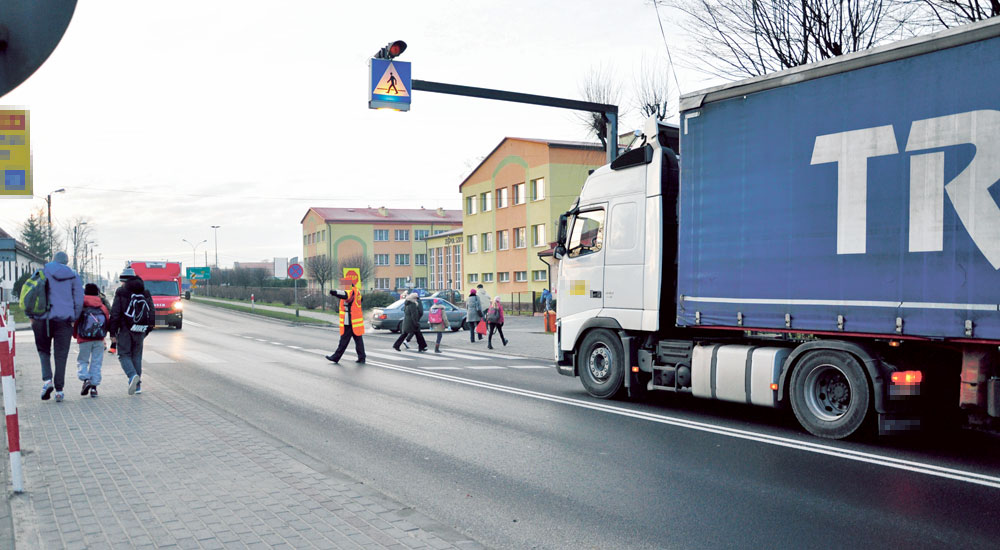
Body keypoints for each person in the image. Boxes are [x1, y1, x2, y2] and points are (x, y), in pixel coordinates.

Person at [32, 251, 83, 403]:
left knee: (43, 351)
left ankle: (47, 381)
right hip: (64, 321)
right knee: (61, 355)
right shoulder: (73, 276)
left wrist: (32, 315)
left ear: (53, 260)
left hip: (42, 319)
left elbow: (30, 293)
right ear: (66, 262)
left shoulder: (41, 271)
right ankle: (59, 390)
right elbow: (79, 299)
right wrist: (74, 317)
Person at [109, 269, 154, 395]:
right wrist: (147, 329)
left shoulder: (121, 292)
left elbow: (115, 313)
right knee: (137, 356)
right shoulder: (145, 292)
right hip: (140, 329)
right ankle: (138, 386)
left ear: (123, 280)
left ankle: (132, 375)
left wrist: (112, 332)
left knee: (124, 355)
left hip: (124, 330)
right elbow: (151, 312)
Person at [74, 283, 110, 398]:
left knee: (83, 360)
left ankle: (85, 379)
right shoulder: (102, 307)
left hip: (84, 338)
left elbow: (76, 322)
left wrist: (76, 335)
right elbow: (107, 322)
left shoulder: (82, 305)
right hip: (99, 338)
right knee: (96, 362)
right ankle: (94, 388)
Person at [326, 279, 366, 364]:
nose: (342, 286)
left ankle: (336, 357)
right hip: (355, 321)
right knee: (358, 340)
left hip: (350, 320)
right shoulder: (357, 291)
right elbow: (361, 299)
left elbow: (345, 295)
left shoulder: (350, 291)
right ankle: (362, 357)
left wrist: (335, 292)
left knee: (344, 340)